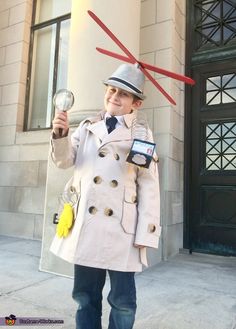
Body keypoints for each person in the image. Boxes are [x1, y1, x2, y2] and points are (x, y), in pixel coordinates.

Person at [50, 63, 161, 329]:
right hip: (87, 227)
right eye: (111, 90)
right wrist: (60, 134)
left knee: (123, 302)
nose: (114, 96)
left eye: (122, 94)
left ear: (135, 104)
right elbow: (64, 161)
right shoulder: (88, 127)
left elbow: (149, 186)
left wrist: (145, 233)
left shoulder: (141, 134)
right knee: (85, 297)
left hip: (122, 230)